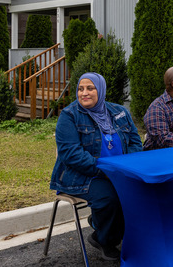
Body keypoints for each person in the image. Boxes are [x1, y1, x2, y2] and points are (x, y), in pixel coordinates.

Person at [50, 72, 143, 260]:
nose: (84, 93)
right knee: (110, 199)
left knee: (141, 194)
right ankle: (104, 239)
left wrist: (125, 167)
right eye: (80, 89)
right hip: (82, 175)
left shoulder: (119, 112)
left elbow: (135, 142)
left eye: (90, 88)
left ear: (101, 90)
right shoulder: (69, 116)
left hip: (120, 172)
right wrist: (108, 171)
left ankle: (103, 224)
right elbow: (71, 154)